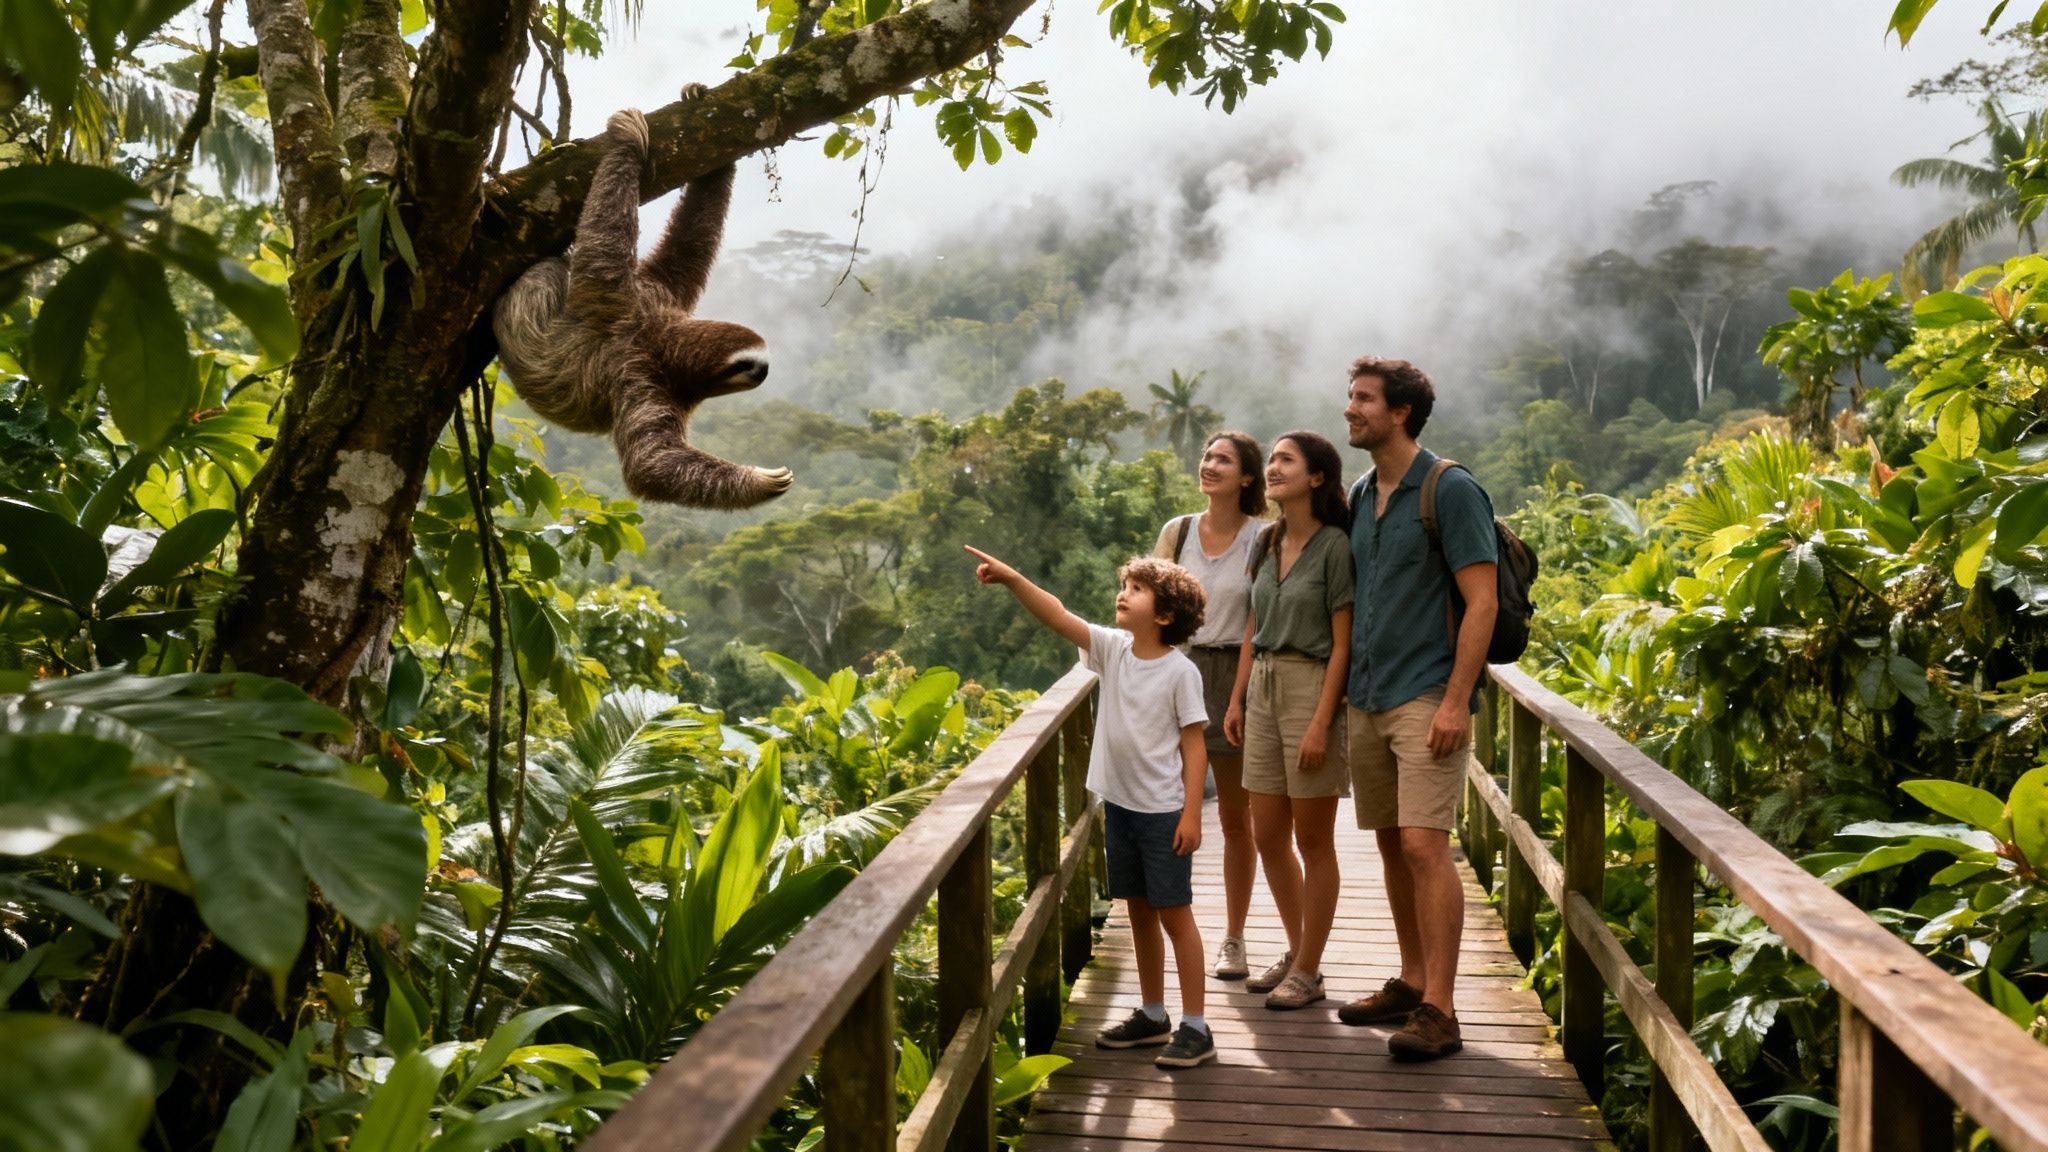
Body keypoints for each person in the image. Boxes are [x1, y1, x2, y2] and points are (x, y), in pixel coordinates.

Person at [965, 545, 1218, 1068]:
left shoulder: (1179, 673)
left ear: (1165, 615)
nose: (1122, 594)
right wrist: (1014, 578)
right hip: (1121, 807)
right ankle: (1153, 1014)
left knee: (1175, 916)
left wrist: (1192, 814)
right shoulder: (1113, 650)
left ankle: (1197, 1025)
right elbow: (1058, 614)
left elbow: (1195, 747)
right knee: (1141, 913)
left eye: (1136, 590)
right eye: (1124, 586)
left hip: (1163, 813)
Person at [1337, 356, 1498, 1062]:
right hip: (1367, 698)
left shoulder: (1449, 489)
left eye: (1364, 399)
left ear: (1400, 412)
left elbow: (1482, 600)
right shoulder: (1362, 492)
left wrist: (1457, 701)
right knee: (1388, 843)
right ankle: (1410, 980)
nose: (1350, 409)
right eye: (1351, 397)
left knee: (1424, 846)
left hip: (1427, 693)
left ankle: (1443, 1009)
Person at [1221, 431, 1353, 1012]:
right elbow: (1252, 626)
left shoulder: (1335, 548)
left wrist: (1323, 720)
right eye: (1271, 460)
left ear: (1317, 477)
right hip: (1263, 690)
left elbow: (1343, 644)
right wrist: (1236, 699)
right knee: (1267, 833)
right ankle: (1301, 952)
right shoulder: (1267, 540)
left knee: (1313, 838)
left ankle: (1308, 966)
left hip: (1309, 687)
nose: (1272, 469)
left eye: (1285, 461)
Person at [1153, 431, 1269, 982]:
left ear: (1248, 476)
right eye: (1206, 456)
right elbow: (1147, 603)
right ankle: (1172, 925)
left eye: (1223, 459)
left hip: (1230, 677)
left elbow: (1258, 621)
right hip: (1175, 672)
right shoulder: (1176, 533)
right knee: (1162, 805)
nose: (1210, 465)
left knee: (1232, 817)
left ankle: (1234, 936)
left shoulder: (1263, 538)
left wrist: (1241, 697)